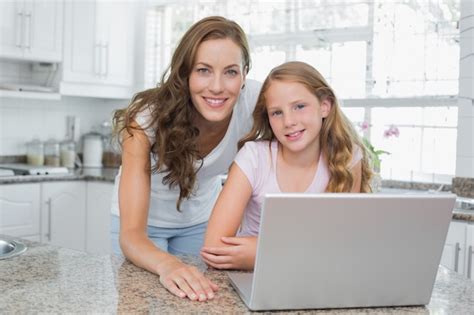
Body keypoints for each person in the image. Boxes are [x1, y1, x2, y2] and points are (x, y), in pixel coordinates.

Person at [110, 16, 261, 301]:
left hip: (200, 222)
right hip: (142, 230)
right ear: (185, 74)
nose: (217, 87)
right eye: (203, 70)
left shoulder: (254, 100)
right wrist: (169, 265)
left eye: (230, 72)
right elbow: (130, 234)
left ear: (244, 74)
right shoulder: (146, 118)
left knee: (199, 301)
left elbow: (308, 119)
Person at [201, 61, 373, 271]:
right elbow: (214, 248)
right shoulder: (254, 158)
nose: (289, 121)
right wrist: (310, 250)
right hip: (253, 277)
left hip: (315, 277)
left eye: (299, 106)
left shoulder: (347, 158)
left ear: (325, 106)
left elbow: (342, 246)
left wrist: (263, 251)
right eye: (277, 113)